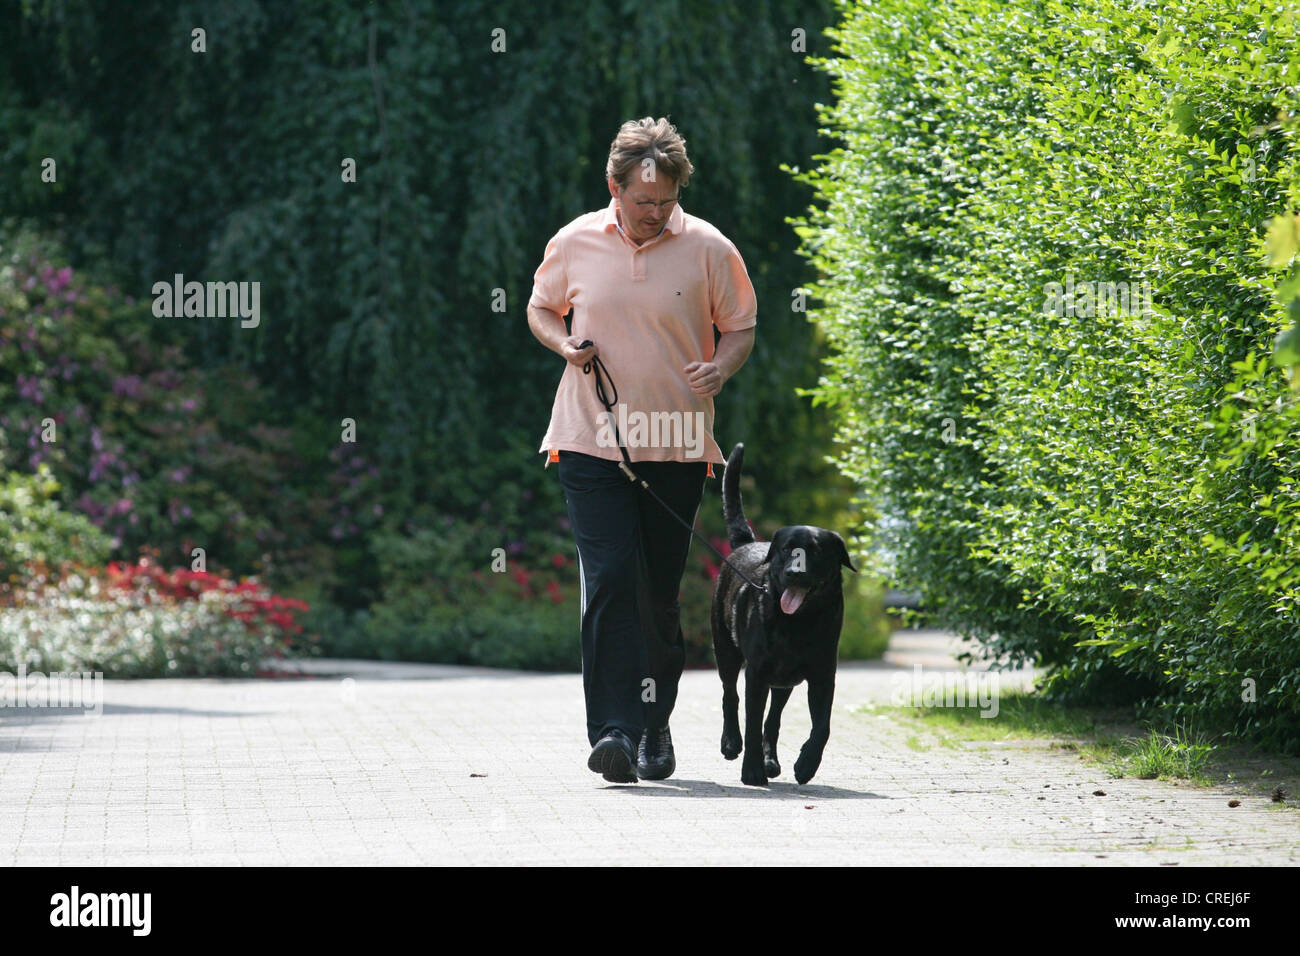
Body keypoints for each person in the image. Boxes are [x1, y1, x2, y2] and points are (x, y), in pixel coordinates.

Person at [526, 116, 757, 783]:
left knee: (656, 591)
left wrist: (721, 366)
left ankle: (656, 722)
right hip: (589, 439)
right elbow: (541, 307)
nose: (655, 213)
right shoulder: (574, 241)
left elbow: (739, 326)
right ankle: (615, 733)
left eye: (666, 200)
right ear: (614, 188)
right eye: (642, 201)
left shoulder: (709, 248)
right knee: (609, 581)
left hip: (678, 442)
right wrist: (562, 342)